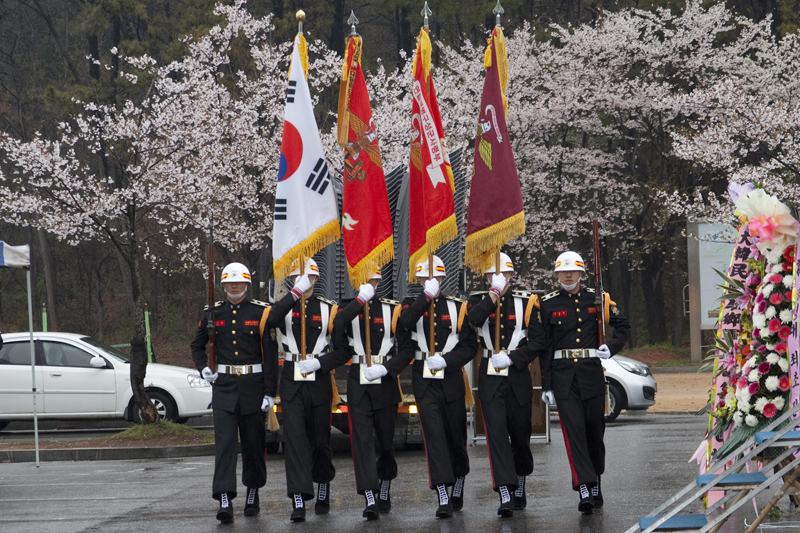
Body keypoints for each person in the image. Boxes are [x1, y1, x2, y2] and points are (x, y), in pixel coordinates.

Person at [518, 251, 630, 515]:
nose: (568, 275)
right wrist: (546, 385)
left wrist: (611, 347)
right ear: (556, 274)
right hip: (563, 377)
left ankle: (596, 480)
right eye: (563, 271)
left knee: (594, 433)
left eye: (573, 271)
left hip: (591, 374)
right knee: (574, 434)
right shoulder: (545, 304)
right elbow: (544, 347)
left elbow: (623, 326)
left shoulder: (598, 299)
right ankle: (584, 489)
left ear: (581, 273)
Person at [190, 262, 277, 524]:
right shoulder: (212, 314)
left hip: (253, 387)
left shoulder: (261, 313)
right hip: (225, 388)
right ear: (223, 285)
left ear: (248, 284)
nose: (235, 286)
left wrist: (270, 392)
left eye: (239, 282)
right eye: (229, 282)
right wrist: (204, 368)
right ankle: (224, 497)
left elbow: (270, 357)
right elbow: (197, 345)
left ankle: (253, 492)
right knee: (225, 446)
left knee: (253, 444)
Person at [266, 258, 348, 522]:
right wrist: (294, 294)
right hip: (291, 380)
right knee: (295, 440)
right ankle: (298, 498)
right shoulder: (283, 307)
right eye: (299, 278)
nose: (305, 281)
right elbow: (271, 321)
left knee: (320, 438)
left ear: (315, 279)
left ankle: (323, 483)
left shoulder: (328, 310)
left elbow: (344, 350)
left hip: (319, 379)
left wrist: (322, 362)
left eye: (308, 278)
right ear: (292, 280)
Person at [397, 255, 478, 518]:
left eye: (433, 278)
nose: (428, 281)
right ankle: (443, 492)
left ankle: (459, 478)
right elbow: (405, 323)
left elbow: (470, 346)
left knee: (456, 436)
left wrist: (448, 360)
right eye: (423, 278)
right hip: (424, 378)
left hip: (451, 376)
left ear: (442, 278)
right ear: (419, 280)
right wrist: (425, 298)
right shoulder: (411, 306)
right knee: (434, 435)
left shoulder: (458, 307)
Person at [467, 252, 544, 517]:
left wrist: (513, 358)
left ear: (511, 274)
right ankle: (505, 492)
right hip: (489, 375)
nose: (496, 277)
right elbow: (474, 320)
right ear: (486, 277)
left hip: (516, 374)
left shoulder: (528, 303)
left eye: (501, 274)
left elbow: (537, 341)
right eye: (491, 275)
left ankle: (520, 481)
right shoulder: (478, 301)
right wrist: (493, 294)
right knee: (497, 435)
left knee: (520, 434)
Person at [332, 270, 405, 520]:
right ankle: (370, 495)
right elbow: (338, 327)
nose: (370, 284)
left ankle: (385, 485)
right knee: (361, 441)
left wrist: (388, 368)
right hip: (358, 380)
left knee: (385, 441)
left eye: (373, 281)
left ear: (379, 282)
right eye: (365, 281)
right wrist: (360, 301)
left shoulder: (392, 309)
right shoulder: (347, 309)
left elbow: (406, 349)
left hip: (384, 379)